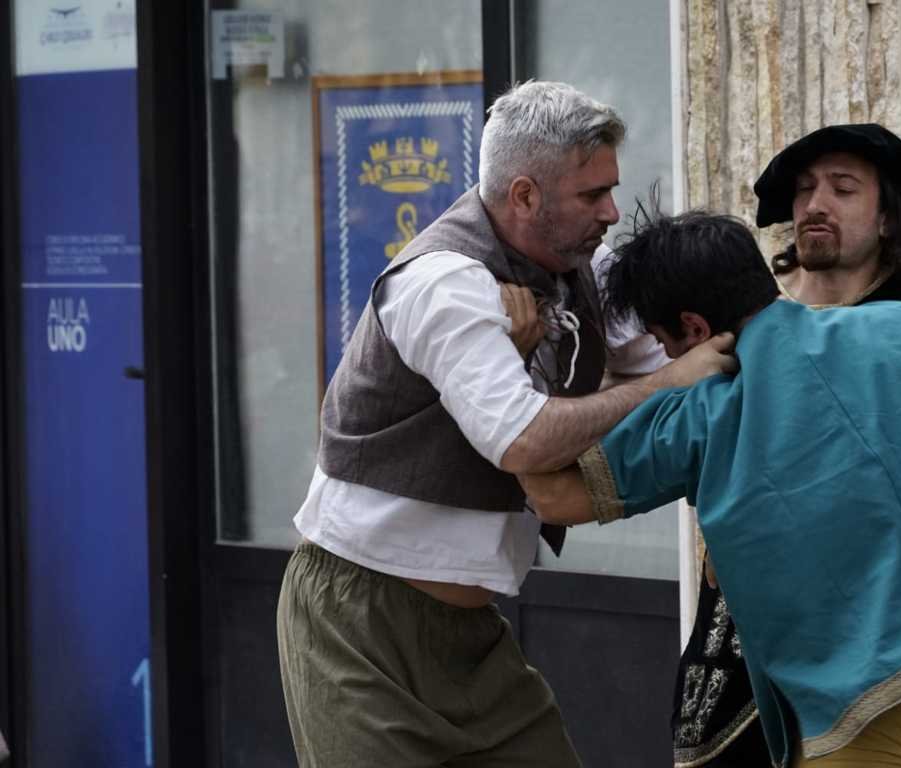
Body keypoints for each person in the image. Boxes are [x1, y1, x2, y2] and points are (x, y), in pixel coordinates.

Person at [275, 81, 736, 768]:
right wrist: (664, 385)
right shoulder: (443, 283)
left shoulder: (584, 266)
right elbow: (522, 438)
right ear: (524, 196)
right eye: (592, 195)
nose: (612, 212)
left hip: (471, 630)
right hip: (359, 619)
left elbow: (683, 359)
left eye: (611, 190)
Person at [520, 210, 901, 768]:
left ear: (694, 330)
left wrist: (530, 361)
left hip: (874, 705)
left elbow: (553, 495)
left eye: (663, 344)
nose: (665, 359)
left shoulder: (702, 413)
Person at [652, 122, 901, 768]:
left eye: (843, 189)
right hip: (751, 595)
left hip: (879, 597)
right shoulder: (760, 310)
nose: (816, 204)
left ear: (888, 217)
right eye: (806, 189)